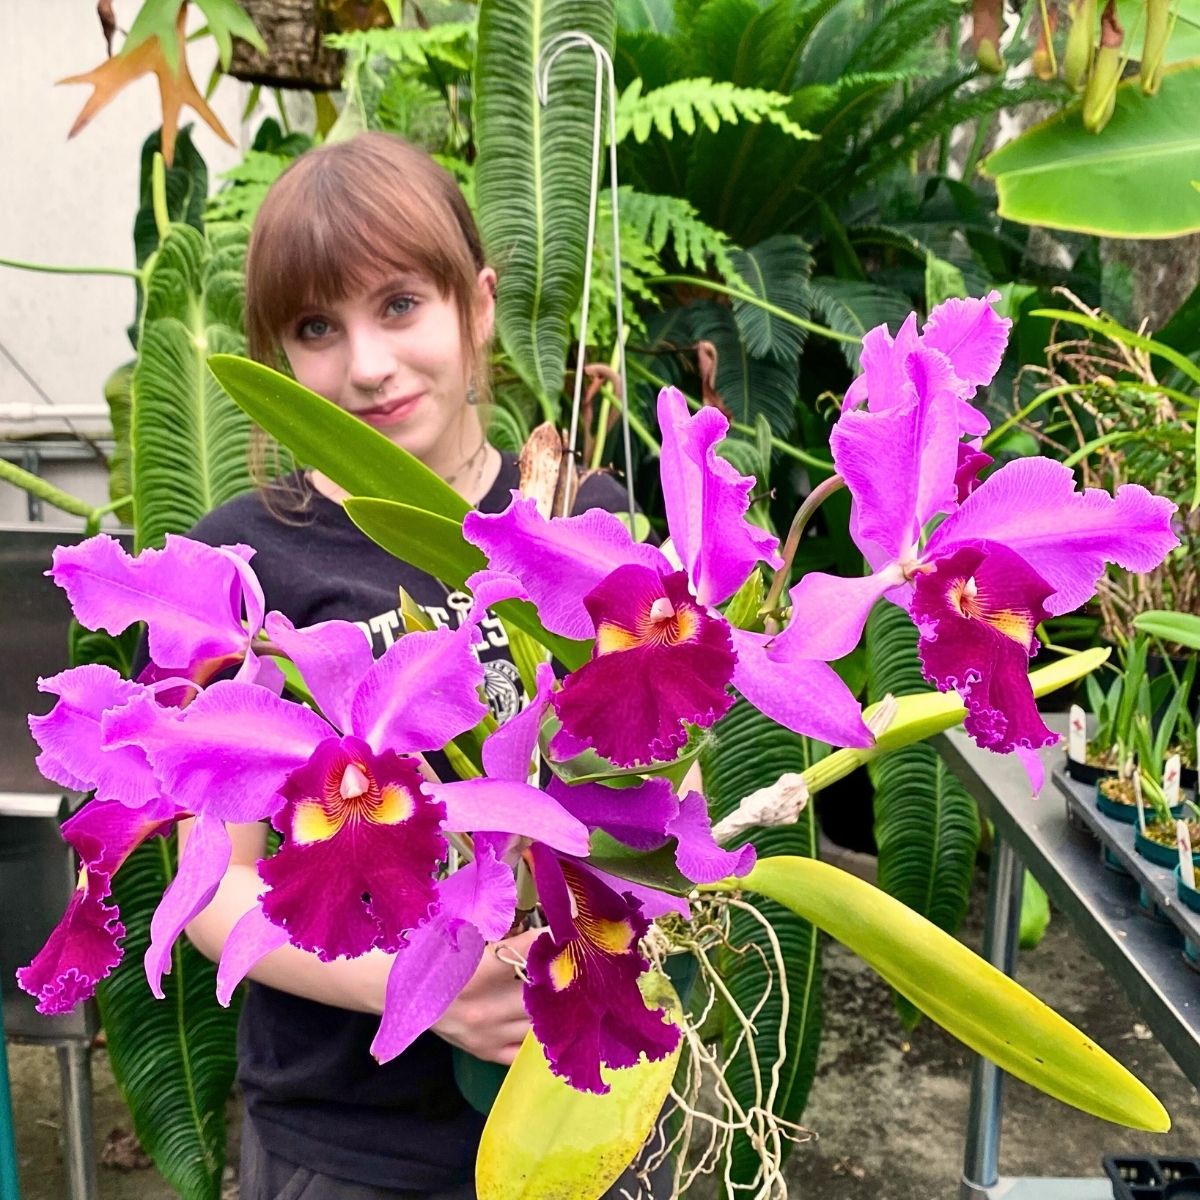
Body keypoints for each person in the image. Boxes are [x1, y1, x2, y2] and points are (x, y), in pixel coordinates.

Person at [179, 132, 670, 1199]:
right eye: (317, 327)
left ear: (477, 305)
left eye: (400, 305)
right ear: (278, 362)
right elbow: (214, 881)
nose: (365, 365)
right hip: (348, 1143)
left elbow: (661, 803)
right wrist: (420, 987)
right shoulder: (243, 568)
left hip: (584, 1101)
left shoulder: (587, 529)